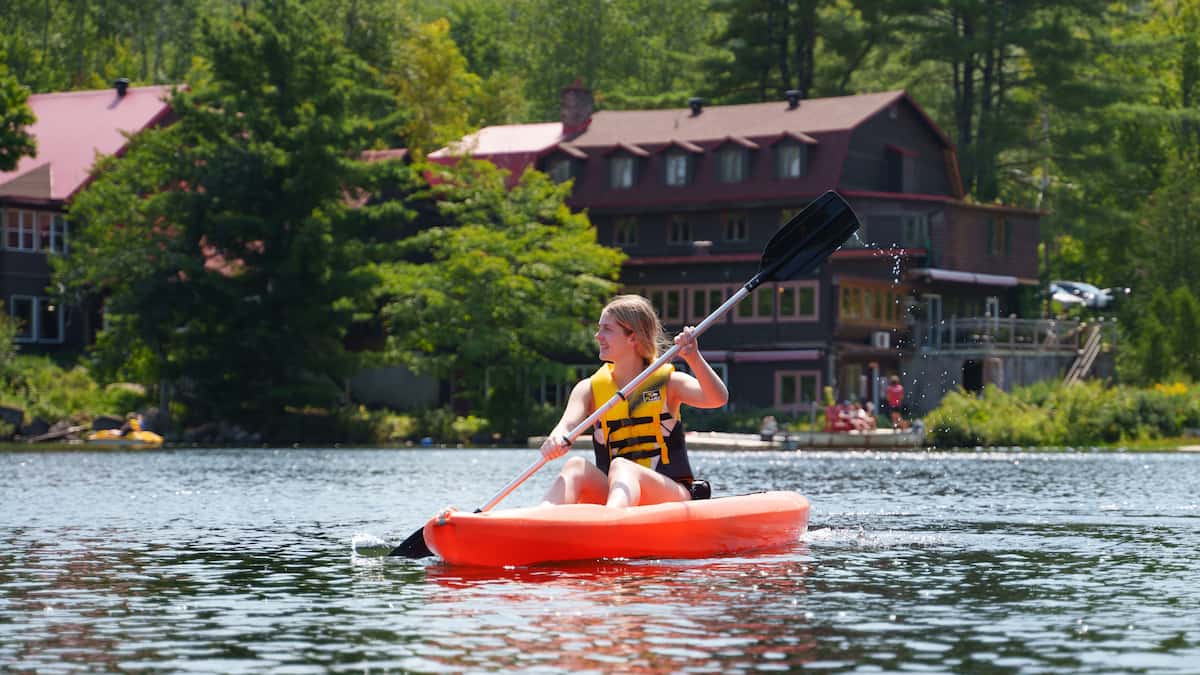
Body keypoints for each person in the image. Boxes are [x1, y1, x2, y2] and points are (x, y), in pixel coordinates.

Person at [539, 295, 729, 508]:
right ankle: (537, 525)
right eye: (599, 328)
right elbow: (567, 424)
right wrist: (556, 439)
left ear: (633, 337)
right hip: (616, 492)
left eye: (607, 329)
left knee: (623, 466)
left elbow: (717, 398)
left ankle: (611, 524)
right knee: (575, 466)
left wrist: (693, 357)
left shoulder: (668, 383)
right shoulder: (589, 389)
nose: (598, 336)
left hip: (668, 493)